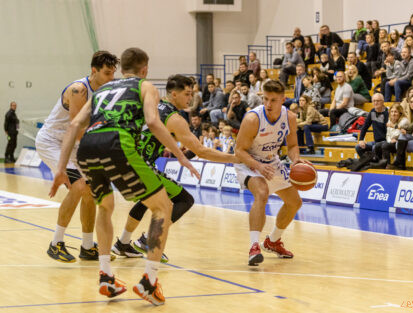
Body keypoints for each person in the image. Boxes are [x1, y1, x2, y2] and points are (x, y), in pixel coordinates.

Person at [49, 47, 200, 305]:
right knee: (163, 207)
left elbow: (74, 125)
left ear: (121, 69)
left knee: (105, 207)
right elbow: (153, 122)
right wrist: (181, 155)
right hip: (118, 142)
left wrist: (62, 167)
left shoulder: (103, 90)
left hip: (87, 147)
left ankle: (106, 277)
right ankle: (149, 282)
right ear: (145, 69)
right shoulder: (145, 86)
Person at [111, 74, 239, 260]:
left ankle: (122, 243)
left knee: (149, 199)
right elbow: (201, 151)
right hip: (140, 165)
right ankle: (148, 240)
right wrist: (236, 159)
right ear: (173, 94)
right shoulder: (174, 118)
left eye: (191, 93)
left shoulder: (152, 105)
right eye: (187, 94)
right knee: (184, 200)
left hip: (124, 160)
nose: (190, 98)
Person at [36, 51, 119, 263]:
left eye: (113, 73)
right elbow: (77, 127)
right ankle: (56, 243)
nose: (111, 77)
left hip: (74, 144)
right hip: (53, 141)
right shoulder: (78, 89)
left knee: (90, 191)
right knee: (80, 186)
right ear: (94, 71)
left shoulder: (106, 91)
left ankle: (88, 246)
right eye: (107, 73)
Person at [234, 80, 307, 266]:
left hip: (270, 161)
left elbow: (292, 145)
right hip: (248, 161)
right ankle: (253, 246)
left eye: (273, 100)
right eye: (265, 99)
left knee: (294, 202)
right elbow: (239, 151)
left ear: (283, 99)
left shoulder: (289, 117)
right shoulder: (252, 119)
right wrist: (257, 166)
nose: (268, 104)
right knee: (262, 192)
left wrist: (296, 160)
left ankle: (272, 241)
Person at [371, 103, 410, 168]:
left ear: (400, 113)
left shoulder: (404, 121)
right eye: (392, 112)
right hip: (391, 142)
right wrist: (390, 140)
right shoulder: (390, 120)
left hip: (400, 143)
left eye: (395, 112)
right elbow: (388, 135)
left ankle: (387, 164)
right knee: (377, 145)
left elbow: (399, 133)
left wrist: (394, 138)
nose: (393, 114)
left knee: (385, 145)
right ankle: (379, 163)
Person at [355, 93, 388, 157]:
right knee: (358, 147)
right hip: (376, 142)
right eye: (374, 101)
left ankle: (375, 164)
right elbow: (365, 126)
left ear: (383, 102)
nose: (375, 103)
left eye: (378, 101)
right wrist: (361, 140)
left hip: (385, 142)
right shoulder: (372, 112)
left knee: (374, 148)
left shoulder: (387, 113)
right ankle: (366, 163)